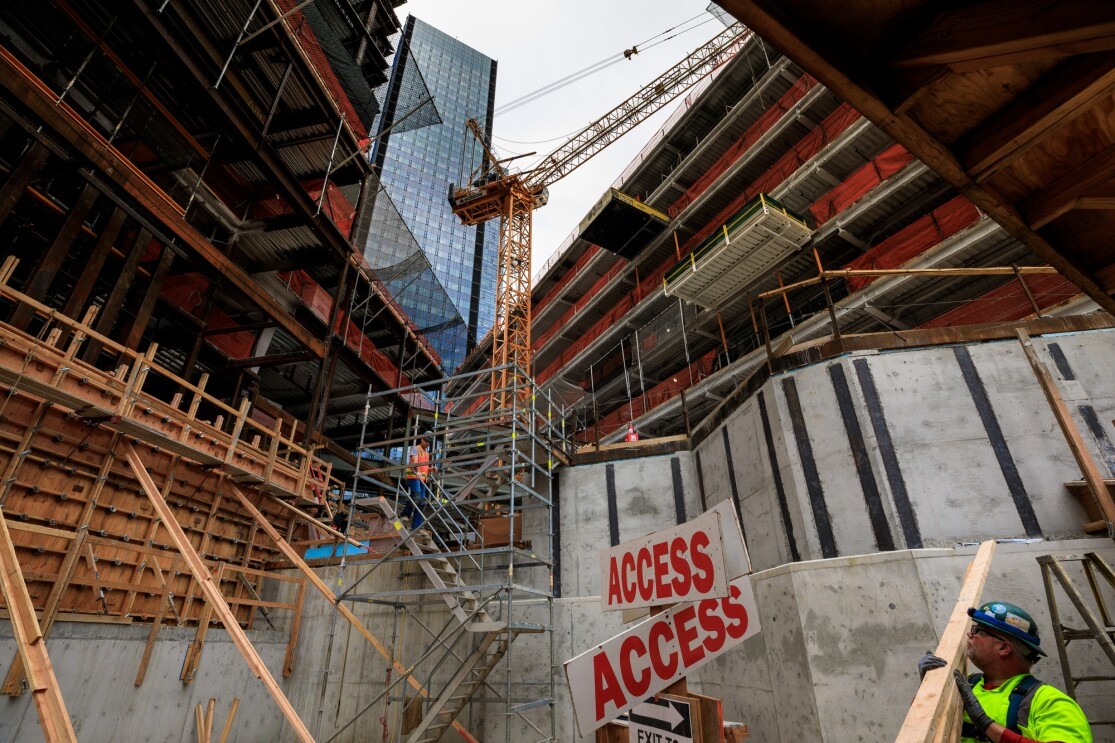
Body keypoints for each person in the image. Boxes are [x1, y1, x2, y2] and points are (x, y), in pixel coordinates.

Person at [917, 601, 1092, 743]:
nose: (970, 635)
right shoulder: (966, 685)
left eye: (978, 631)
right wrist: (929, 688)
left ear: (1004, 647)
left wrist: (986, 725)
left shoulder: (1049, 702)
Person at [401, 436, 431, 529]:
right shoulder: (415, 449)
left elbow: (424, 468)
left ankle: (416, 526)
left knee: (422, 502)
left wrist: (432, 469)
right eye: (426, 441)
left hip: (421, 479)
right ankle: (404, 515)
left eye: (429, 442)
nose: (427, 443)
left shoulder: (427, 453)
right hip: (413, 477)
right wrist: (417, 471)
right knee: (417, 497)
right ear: (422, 439)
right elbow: (415, 461)